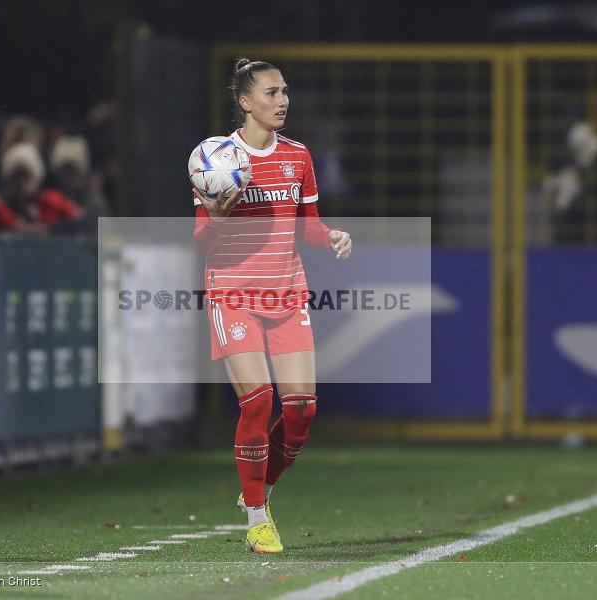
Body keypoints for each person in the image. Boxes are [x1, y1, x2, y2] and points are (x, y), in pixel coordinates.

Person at [192, 58, 352, 554]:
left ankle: (257, 488)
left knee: (301, 412)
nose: (282, 100)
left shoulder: (298, 157)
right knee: (258, 400)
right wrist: (218, 216)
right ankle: (259, 518)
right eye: (271, 92)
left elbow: (309, 226)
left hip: (286, 293)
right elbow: (204, 242)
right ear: (244, 102)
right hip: (234, 294)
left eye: (285, 91)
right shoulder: (214, 160)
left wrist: (333, 237)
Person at [0, 141, 83, 232]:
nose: (22, 182)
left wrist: (48, 229)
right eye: (16, 176)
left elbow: (81, 221)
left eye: (27, 176)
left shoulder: (52, 202)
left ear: (37, 178)